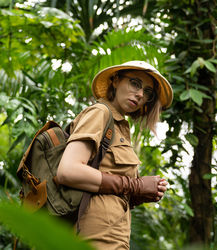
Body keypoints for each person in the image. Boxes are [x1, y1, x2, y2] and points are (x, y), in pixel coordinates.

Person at [57, 61, 173, 249]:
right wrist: (134, 185)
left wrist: (140, 193)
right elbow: (68, 171)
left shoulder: (120, 129)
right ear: (116, 80)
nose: (141, 94)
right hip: (92, 238)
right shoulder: (100, 113)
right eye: (135, 83)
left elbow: (107, 192)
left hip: (113, 238)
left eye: (148, 92)